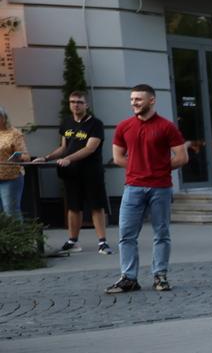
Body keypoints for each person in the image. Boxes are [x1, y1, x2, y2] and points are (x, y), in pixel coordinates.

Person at [108, 84, 188, 294]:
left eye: (138, 99)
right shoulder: (124, 126)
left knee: (161, 233)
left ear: (151, 100)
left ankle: (160, 275)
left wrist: (157, 169)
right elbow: (117, 157)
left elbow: (182, 157)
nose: (134, 103)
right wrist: (138, 168)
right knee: (126, 235)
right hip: (133, 188)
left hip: (160, 188)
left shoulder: (167, 127)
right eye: (132, 99)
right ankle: (129, 278)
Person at [37, 92, 112, 253]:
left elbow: (90, 148)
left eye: (79, 102)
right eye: (72, 102)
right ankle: (73, 241)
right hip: (72, 173)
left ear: (86, 105)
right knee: (73, 207)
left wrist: (68, 159)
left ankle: (102, 243)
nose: (76, 105)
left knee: (96, 206)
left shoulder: (95, 124)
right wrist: (46, 158)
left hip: (91, 172)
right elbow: (63, 147)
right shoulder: (66, 122)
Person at [0, 106, 28, 217]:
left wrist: (18, 157)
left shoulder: (14, 133)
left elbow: (25, 156)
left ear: (4, 118)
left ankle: (17, 230)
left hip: (11, 178)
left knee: (11, 212)